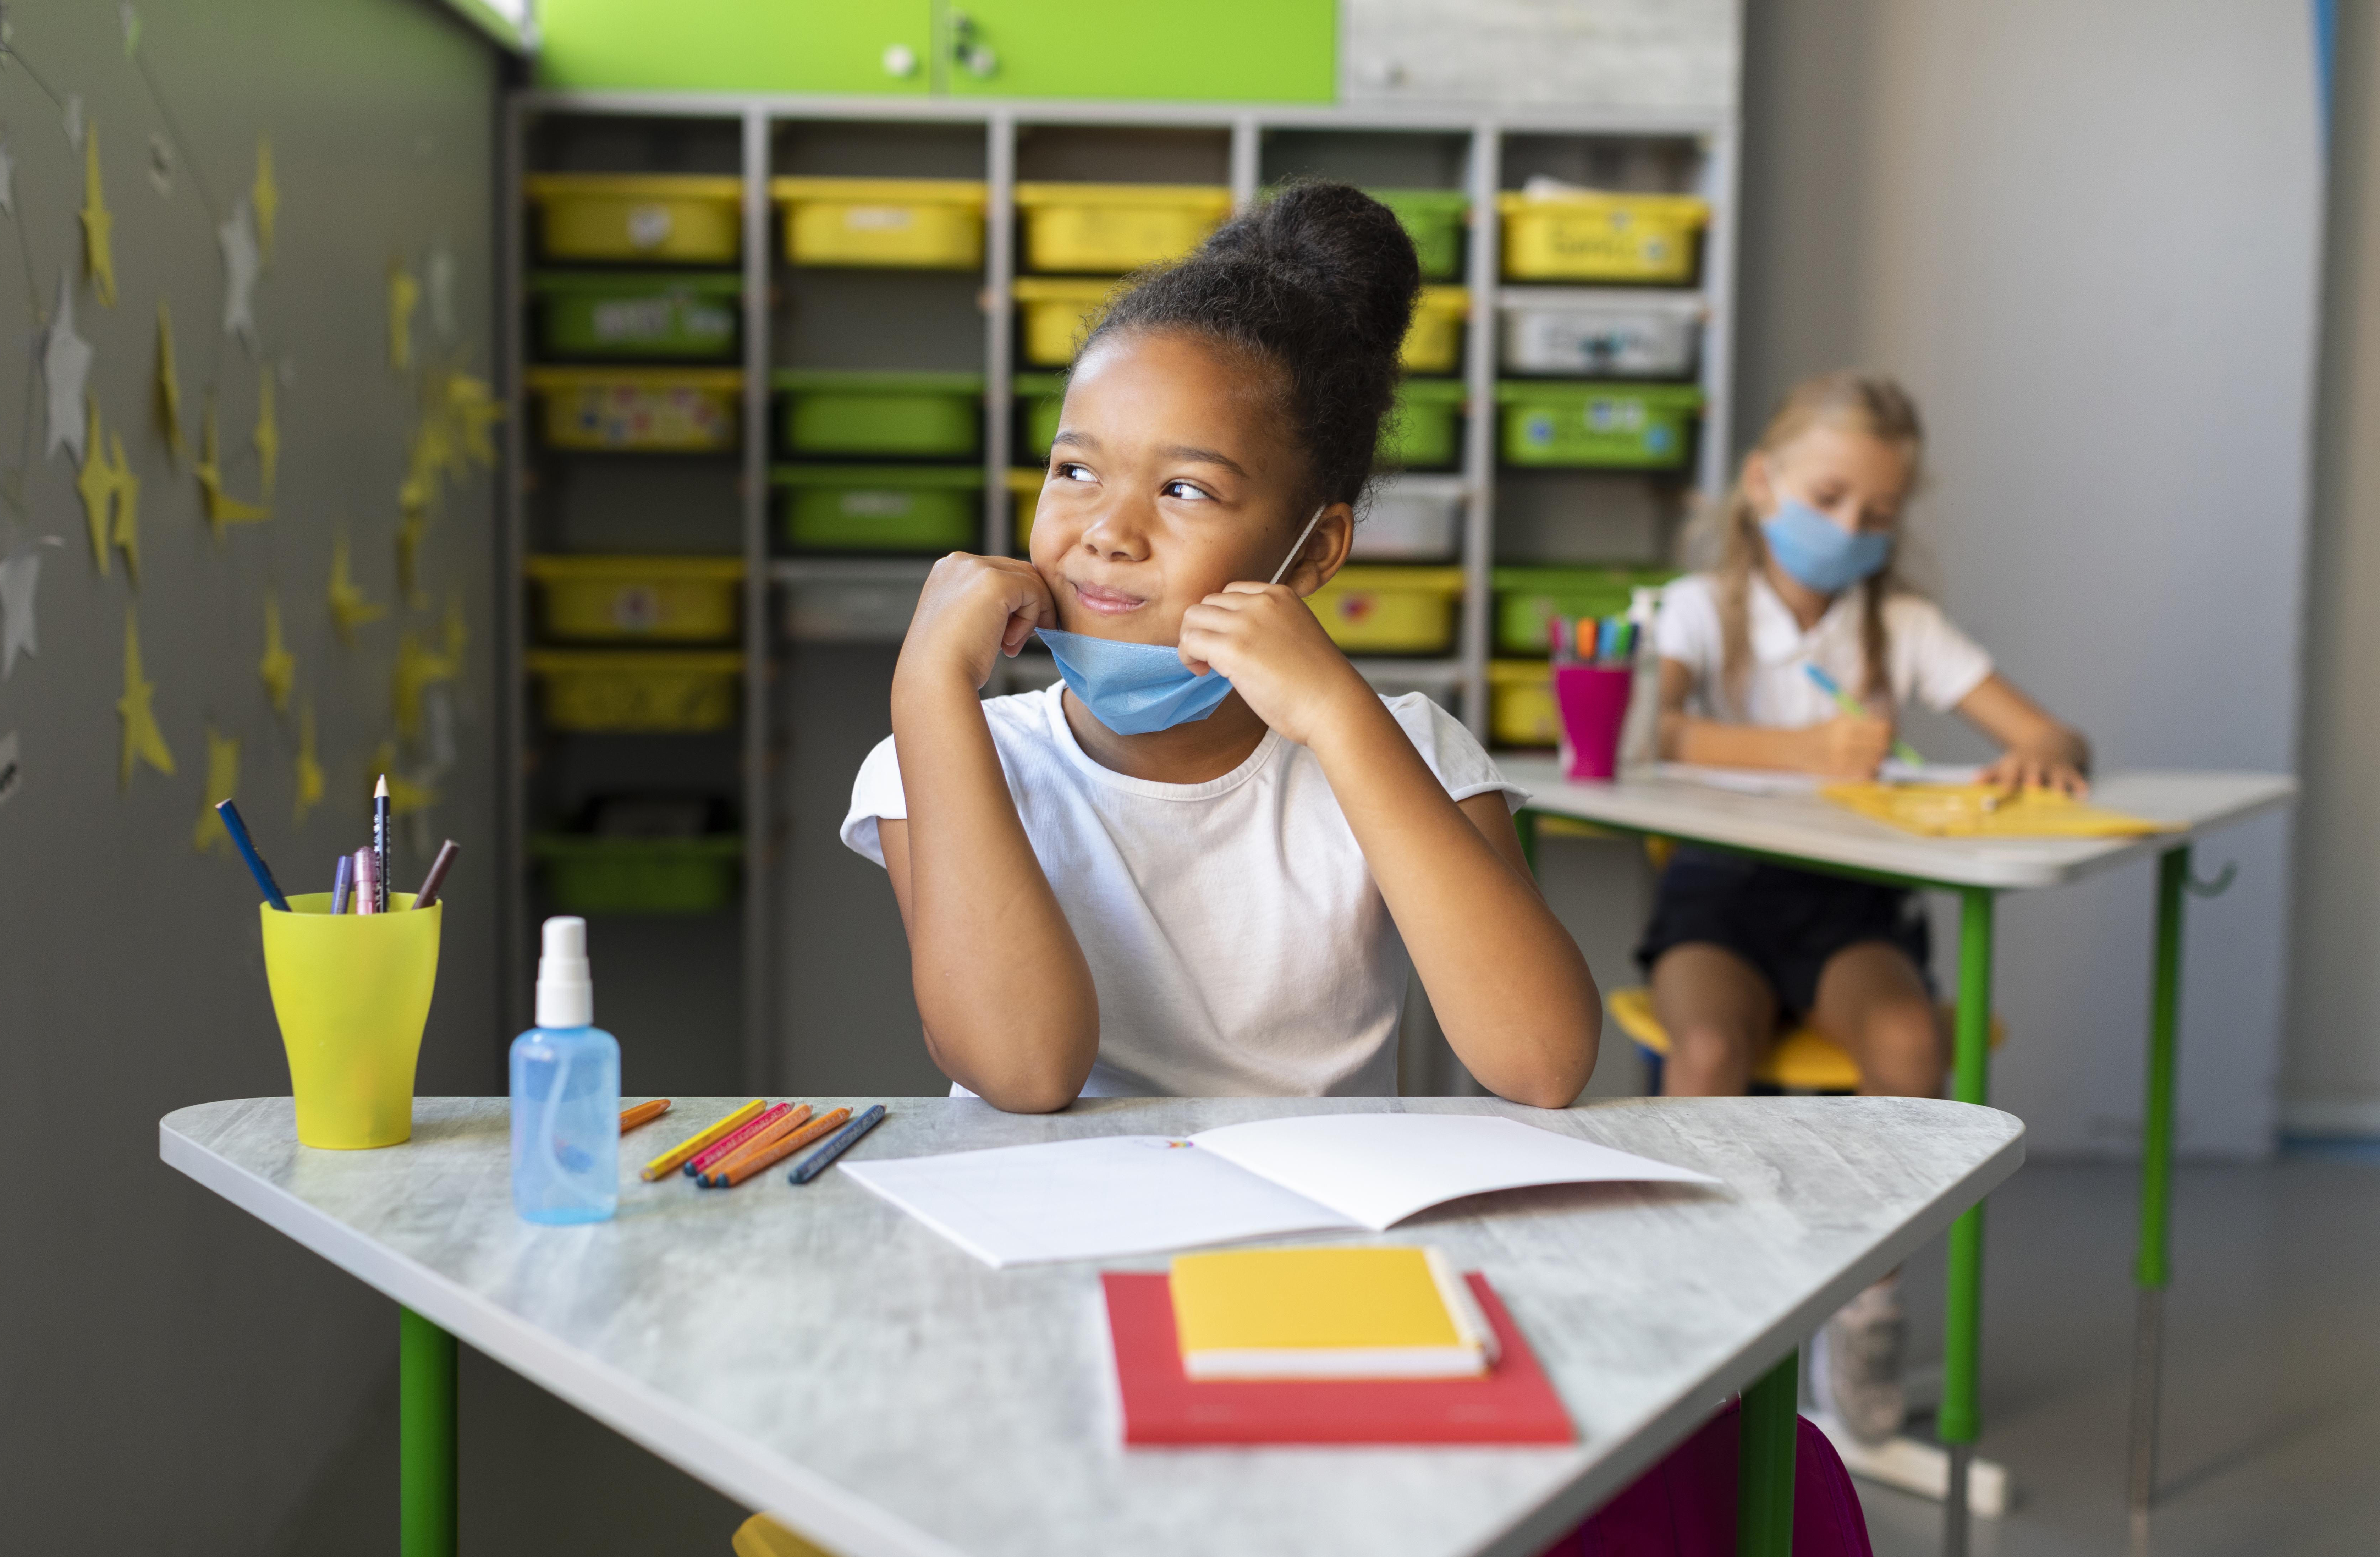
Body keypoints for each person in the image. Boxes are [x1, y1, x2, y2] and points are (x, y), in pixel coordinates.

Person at [840, 182, 1600, 1113]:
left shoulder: (1400, 747)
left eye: (1186, 490)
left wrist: (1336, 716)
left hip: (1315, 1243)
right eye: (1075, 471)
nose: (1109, 533)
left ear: (1313, 552)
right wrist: (927, 688)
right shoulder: (954, 750)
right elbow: (1026, 1071)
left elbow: (1542, 1062)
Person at [1643, 370, 2090, 1442]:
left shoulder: (1904, 626)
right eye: (1831, 496)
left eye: (1878, 515)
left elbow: (2056, 738)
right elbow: (1649, 735)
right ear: (1762, 484)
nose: (1850, 527)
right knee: (1704, 1047)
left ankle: (1867, 1310)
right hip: (1718, 896)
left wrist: (2041, 762)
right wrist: (1796, 752)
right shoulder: (1697, 612)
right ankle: (1706, 1317)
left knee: (1903, 1036)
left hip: (1849, 910)